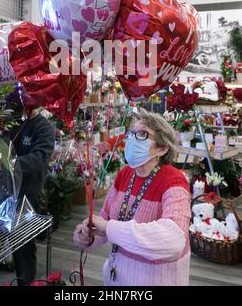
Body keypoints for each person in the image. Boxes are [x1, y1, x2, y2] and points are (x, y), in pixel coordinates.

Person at [73, 109, 191, 286]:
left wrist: (107, 227)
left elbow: (174, 239)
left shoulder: (174, 181)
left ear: (162, 148)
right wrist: (89, 236)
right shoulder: (125, 174)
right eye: (131, 133)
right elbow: (106, 220)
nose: (132, 139)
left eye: (142, 134)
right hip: (115, 276)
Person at [0, 107, 55, 286]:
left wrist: (3, 164)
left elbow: (38, 160)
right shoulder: (8, 121)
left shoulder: (44, 128)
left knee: (23, 248)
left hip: (26, 195)